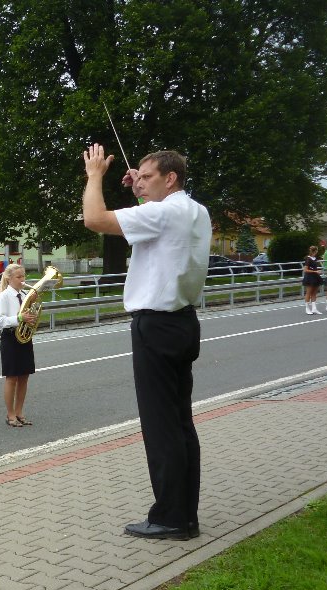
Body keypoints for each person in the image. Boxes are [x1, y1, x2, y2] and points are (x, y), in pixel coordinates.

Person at [83, 144, 211, 541]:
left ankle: (170, 518)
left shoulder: (162, 212)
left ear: (170, 178)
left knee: (161, 428)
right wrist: (139, 190)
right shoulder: (195, 210)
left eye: (148, 176)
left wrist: (94, 175)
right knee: (180, 423)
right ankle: (184, 514)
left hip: (155, 324)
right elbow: (149, 222)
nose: (140, 182)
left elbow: (94, 219)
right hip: (184, 322)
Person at [0, 264, 37, 427]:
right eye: (19, 277)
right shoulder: (4, 297)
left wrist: (31, 319)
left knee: (24, 376)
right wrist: (19, 319)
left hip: (24, 337)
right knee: (12, 377)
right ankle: (10, 414)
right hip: (10, 337)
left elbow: (30, 315)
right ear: (9, 278)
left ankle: (19, 412)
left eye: (23, 276)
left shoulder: (25, 294)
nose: (22, 280)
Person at [302, 245, 323, 314]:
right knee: (309, 292)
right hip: (309, 277)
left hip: (315, 277)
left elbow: (315, 268)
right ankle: (307, 308)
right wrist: (315, 271)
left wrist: (318, 271)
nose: (317, 252)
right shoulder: (308, 259)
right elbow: (305, 270)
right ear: (315, 251)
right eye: (317, 250)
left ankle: (314, 308)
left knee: (314, 293)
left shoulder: (315, 258)